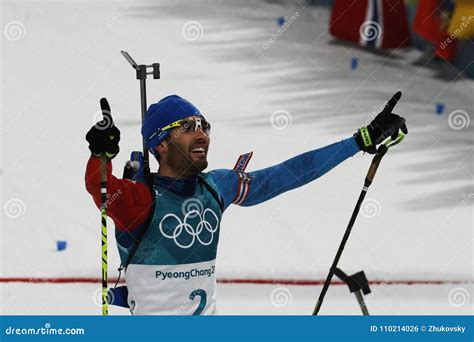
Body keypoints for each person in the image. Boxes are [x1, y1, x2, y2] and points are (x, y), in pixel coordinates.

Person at [85, 93, 407, 315]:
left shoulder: (216, 187)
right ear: (161, 143)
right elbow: (98, 186)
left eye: (204, 126)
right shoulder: (140, 199)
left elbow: (288, 174)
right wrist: (100, 153)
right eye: (187, 127)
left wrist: (359, 141)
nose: (202, 135)